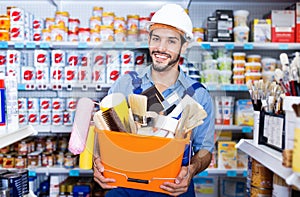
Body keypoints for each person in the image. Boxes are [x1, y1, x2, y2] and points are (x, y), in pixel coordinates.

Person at [93, 3, 215, 197]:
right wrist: (97, 161)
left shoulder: (199, 95)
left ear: (184, 46)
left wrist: (191, 170)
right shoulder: (125, 84)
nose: (161, 48)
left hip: (172, 188)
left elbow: (205, 150)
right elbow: (105, 135)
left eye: (171, 42)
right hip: (123, 188)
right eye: (156, 39)